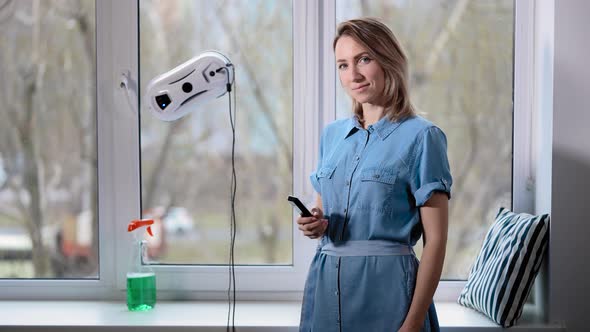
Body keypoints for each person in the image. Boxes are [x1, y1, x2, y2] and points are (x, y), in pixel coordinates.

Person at [297, 17, 452, 332]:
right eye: (342, 65)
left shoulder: (423, 137)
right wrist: (315, 222)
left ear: (387, 60)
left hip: (389, 296)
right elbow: (325, 212)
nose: (352, 74)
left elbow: (435, 241)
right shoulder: (332, 135)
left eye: (363, 59)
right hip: (327, 292)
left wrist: (411, 324)